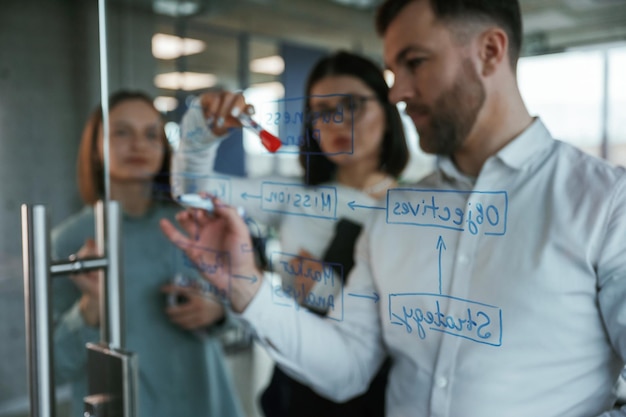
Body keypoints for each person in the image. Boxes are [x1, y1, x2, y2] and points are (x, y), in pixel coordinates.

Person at [160, 1, 626, 416]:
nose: (398, 91)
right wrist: (248, 288)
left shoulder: (607, 205)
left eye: (415, 62)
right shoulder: (394, 216)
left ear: (490, 51)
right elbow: (348, 366)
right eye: (392, 71)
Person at [170, 50, 408, 416]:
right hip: (292, 387)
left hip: (376, 396)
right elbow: (193, 191)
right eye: (322, 112)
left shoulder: (411, 211)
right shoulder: (297, 197)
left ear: (388, 112)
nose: (337, 122)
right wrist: (201, 132)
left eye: (352, 105)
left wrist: (324, 288)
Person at [51, 90, 245, 417]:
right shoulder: (70, 240)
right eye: (122, 132)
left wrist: (217, 311)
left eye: (151, 134)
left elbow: (243, 310)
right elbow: (55, 365)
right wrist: (90, 306)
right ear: (96, 148)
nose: (138, 145)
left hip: (205, 401)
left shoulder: (192, 223)